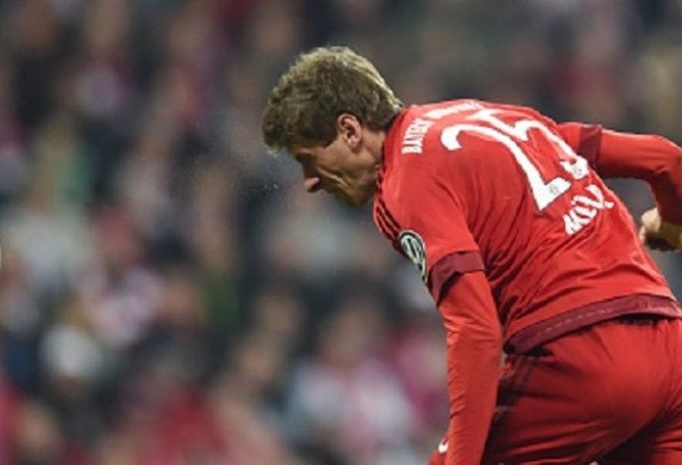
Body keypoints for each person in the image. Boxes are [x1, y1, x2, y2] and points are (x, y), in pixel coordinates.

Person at [260, 46, 682, 465]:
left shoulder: (405, 182)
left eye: (308, 159)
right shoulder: (490, 118)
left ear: (350, 131)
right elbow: (666, 159)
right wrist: (670, 223)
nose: (310, 182)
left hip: (584, 361)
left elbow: (476, 330)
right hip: (669, 352)